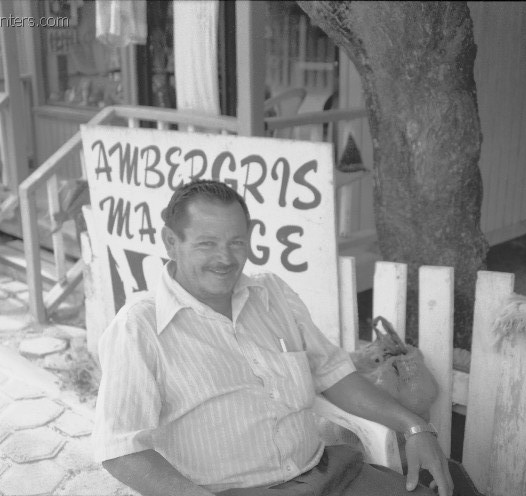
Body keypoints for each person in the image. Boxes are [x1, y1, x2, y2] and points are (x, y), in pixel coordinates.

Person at [93, 179, 453, 496]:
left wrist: (414, 426)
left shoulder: (272, 293)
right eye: (206, 244)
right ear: (171, 242)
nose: (225, 258)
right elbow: (121, 449)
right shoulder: (139, 326)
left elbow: (333, 373)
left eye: (236, 243)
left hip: (330, 474)